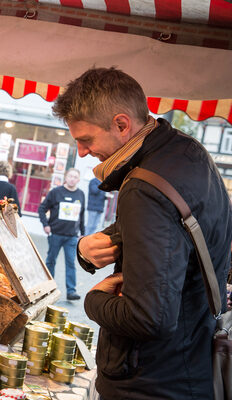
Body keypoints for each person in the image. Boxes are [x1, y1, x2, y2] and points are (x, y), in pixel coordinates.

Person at [53, 67, 232, 399]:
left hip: (151, 383)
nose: (81, 152)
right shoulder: (186, 154)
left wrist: (93, 301)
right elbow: (171, 234)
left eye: (86, 140)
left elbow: (150, 319)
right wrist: (86, 249)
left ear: (122, 125)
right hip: (188, 366)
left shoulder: (144, 187)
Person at [37, 168, 85, 300]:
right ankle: (49, 289)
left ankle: (71, 291)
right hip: (56, 234)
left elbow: (81, 215)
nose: (72, 179)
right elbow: (41, 208)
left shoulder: (81, 194)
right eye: (70, 176)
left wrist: (83, 233)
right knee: (51, 261)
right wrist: (45, 224)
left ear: (78, 180)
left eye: (75, 177)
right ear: (65, 177)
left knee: (71, 263)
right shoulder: (56, 192)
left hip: (72, 237)